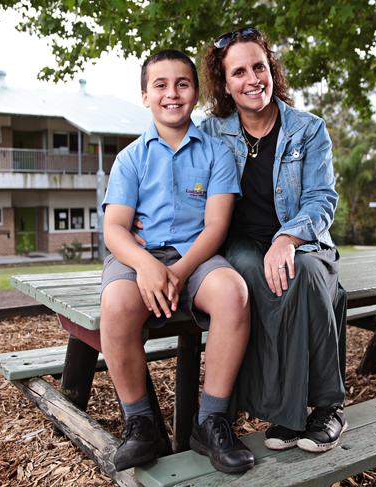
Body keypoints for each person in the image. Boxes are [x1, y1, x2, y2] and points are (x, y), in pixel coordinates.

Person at [100, 49, 254, 473]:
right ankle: (141, 423)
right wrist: (148, 267)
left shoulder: (216, 153)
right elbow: (115, 229)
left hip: (195, 255)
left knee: (233, 292)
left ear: (197, 93)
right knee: (116, 305)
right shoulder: (130, 158)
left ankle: (211, 421)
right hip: (138, 257)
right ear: (145, 96)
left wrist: (177, 272)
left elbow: (216, 227)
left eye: (182, 84)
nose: (172, 93)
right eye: (161, 85)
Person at [199, 27, 348, 453]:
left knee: (305, 275)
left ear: (272, 70)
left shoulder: (308, 129)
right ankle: (287, 412)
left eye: (259, 67)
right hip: (242, 241)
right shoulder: (211, 133)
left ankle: (327, 407)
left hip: (303, 239)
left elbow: (322, 199)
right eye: (239, 72)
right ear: (226, 85)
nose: (253, 79)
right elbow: (181, 184)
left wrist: (288, 237)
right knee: (248, 275)